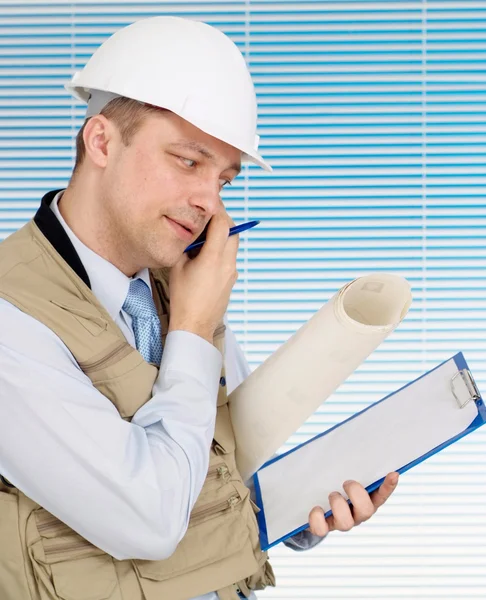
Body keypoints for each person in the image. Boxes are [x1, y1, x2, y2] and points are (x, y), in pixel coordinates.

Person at [0, 15, 399, 600]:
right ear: (101, 141)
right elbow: (150, 520)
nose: (209, 202)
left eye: (225, 180)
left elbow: (218, 468)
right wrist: (192, 326)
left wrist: (299, 506)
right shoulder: (13, 316)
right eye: (188, 161)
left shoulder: (176, 285)